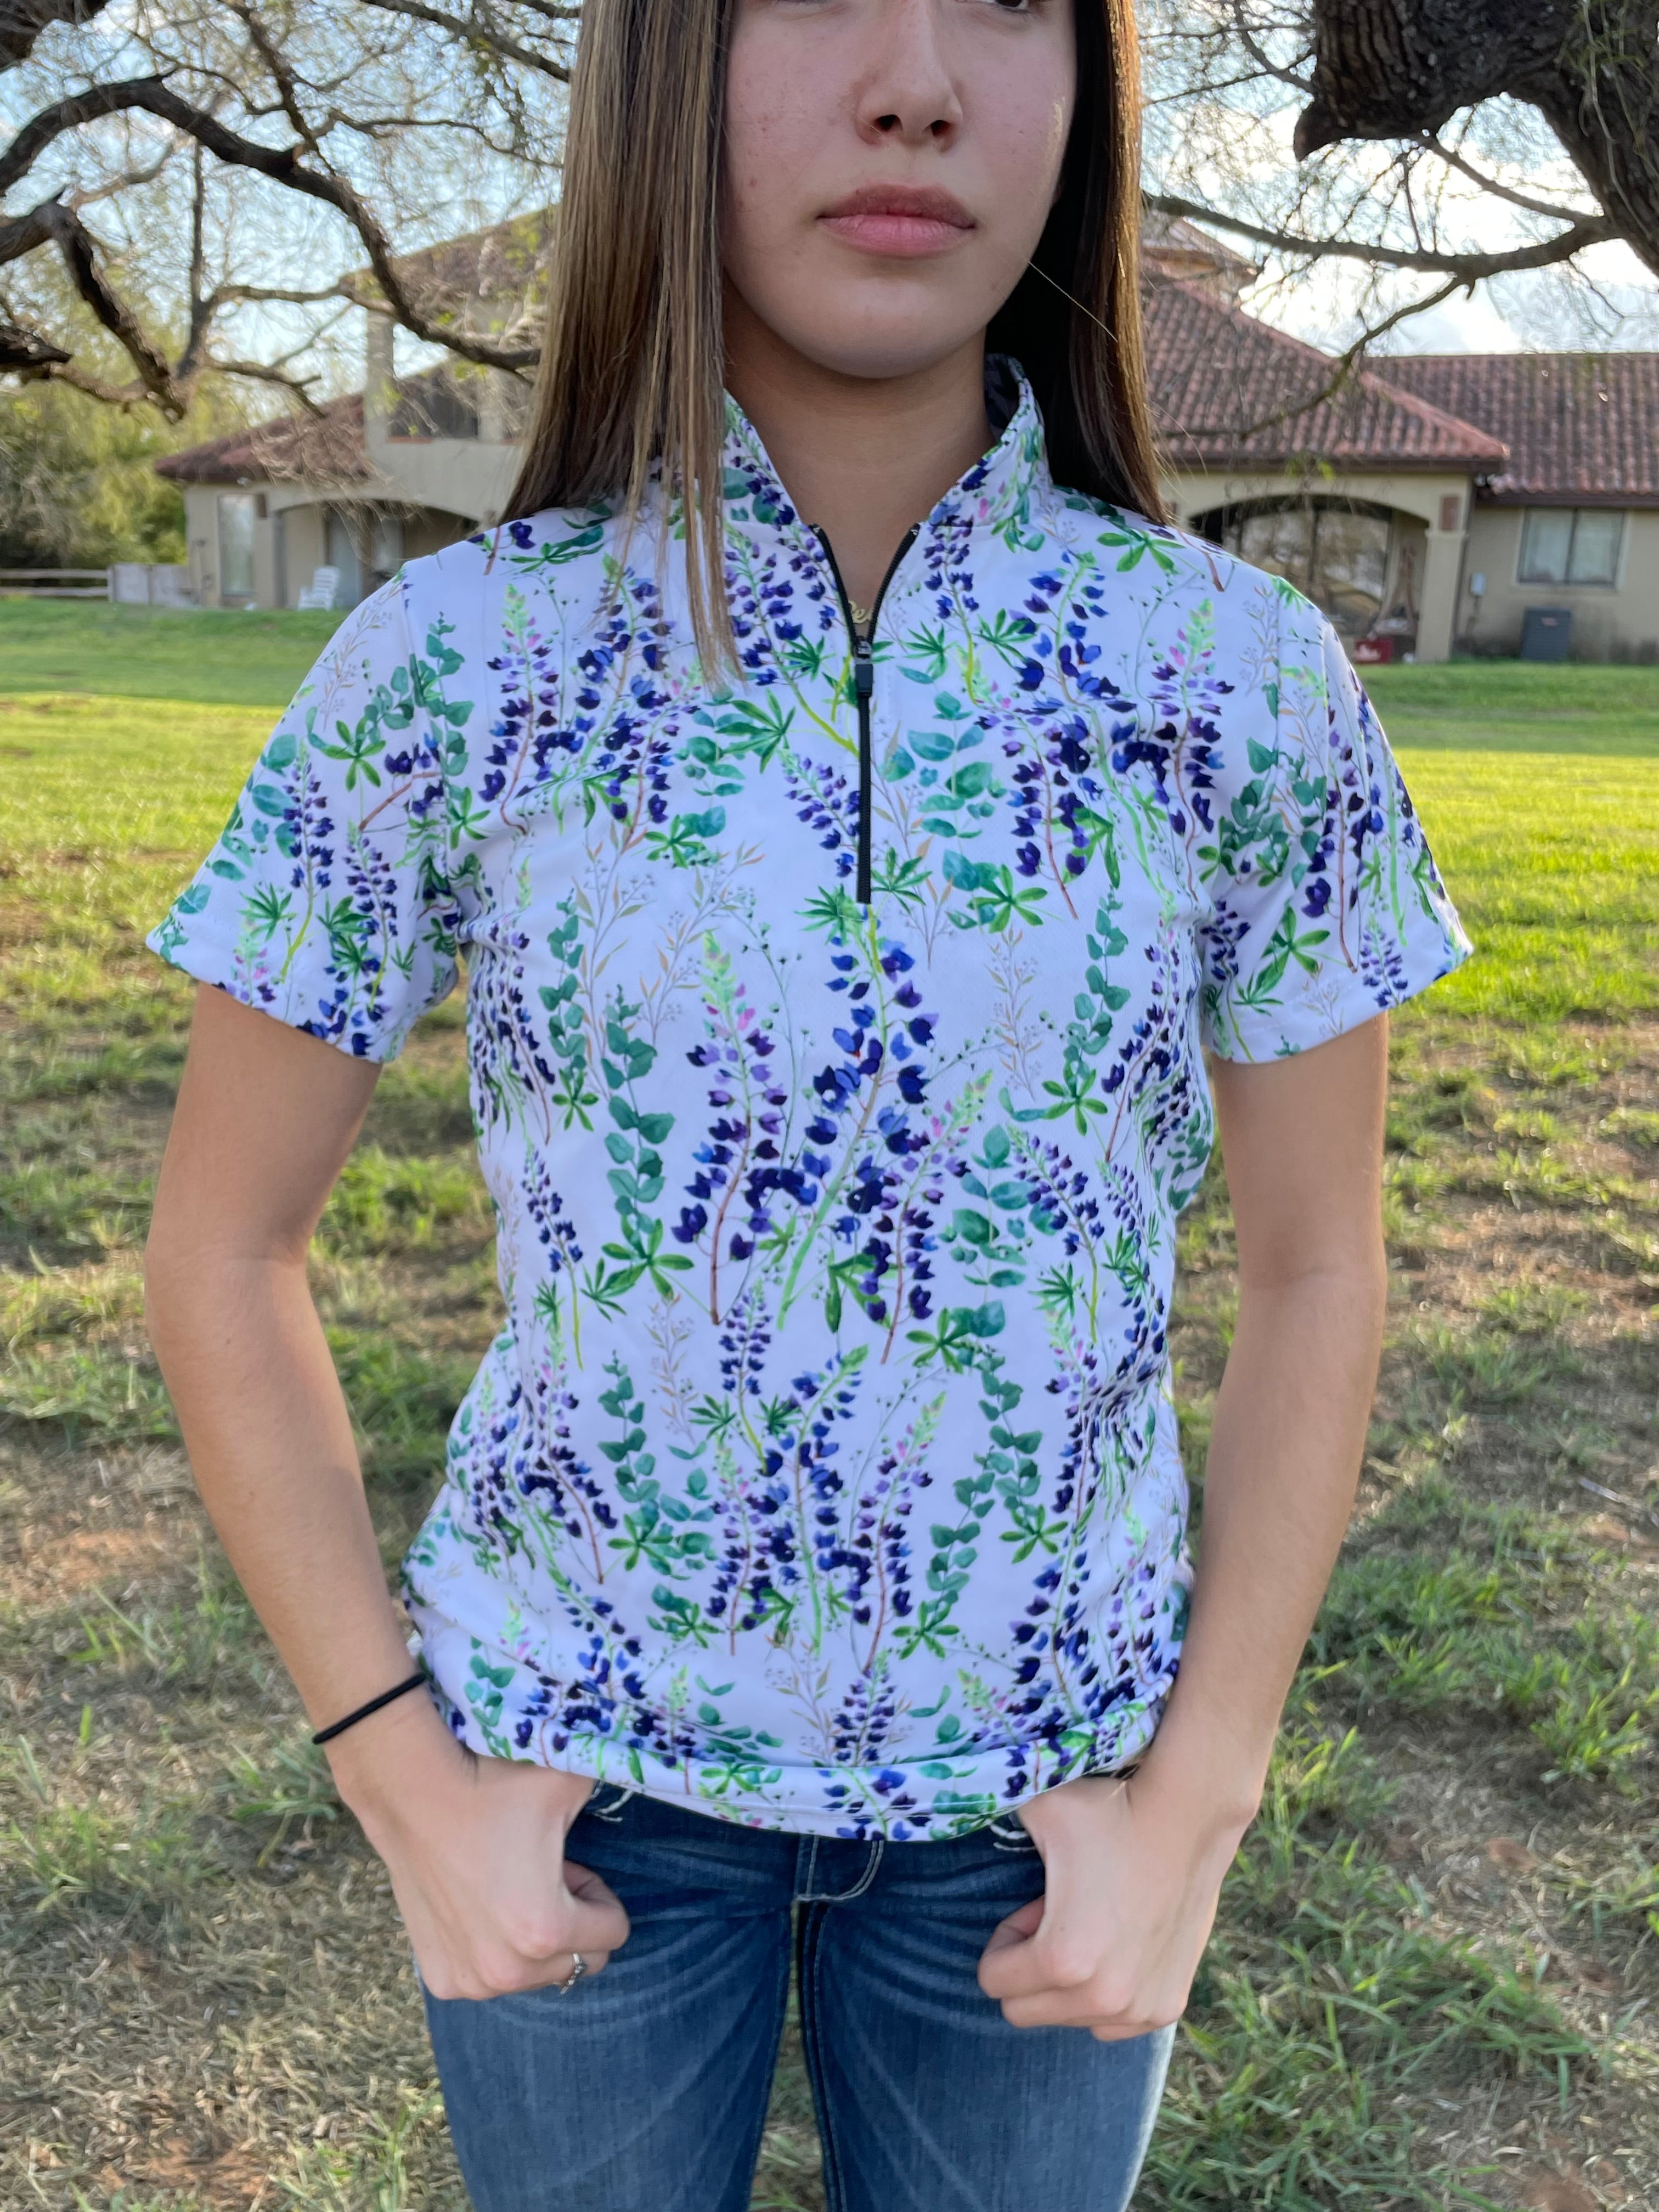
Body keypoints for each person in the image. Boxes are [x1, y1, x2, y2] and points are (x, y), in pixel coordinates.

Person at [142, 0, 1471, 2204]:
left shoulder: (1233, 676)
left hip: (1050, 1819)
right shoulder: (464, 660)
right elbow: (221, 1243)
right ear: (673, 62)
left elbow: (1323, 1268)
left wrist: (1201, 1804)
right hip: (570, 1788)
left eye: (1006, 6)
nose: (918, 81)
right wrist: (405, 1784)